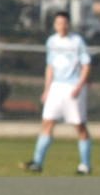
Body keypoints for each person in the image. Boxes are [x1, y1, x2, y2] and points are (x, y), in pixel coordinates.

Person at [24, 9, 93, 175]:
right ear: (55, 25)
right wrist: (47, 89)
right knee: (47, 123)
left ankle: (85, 164)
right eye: (58, 23)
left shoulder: (77, 42)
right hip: (56, 87)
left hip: (72, 88)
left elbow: (86, 65)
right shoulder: (51, 42)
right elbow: (50, 66)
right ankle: (37, 162)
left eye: (64, 23)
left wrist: (79, 86)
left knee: (79, 126)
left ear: (69, 24)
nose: (61, 26)